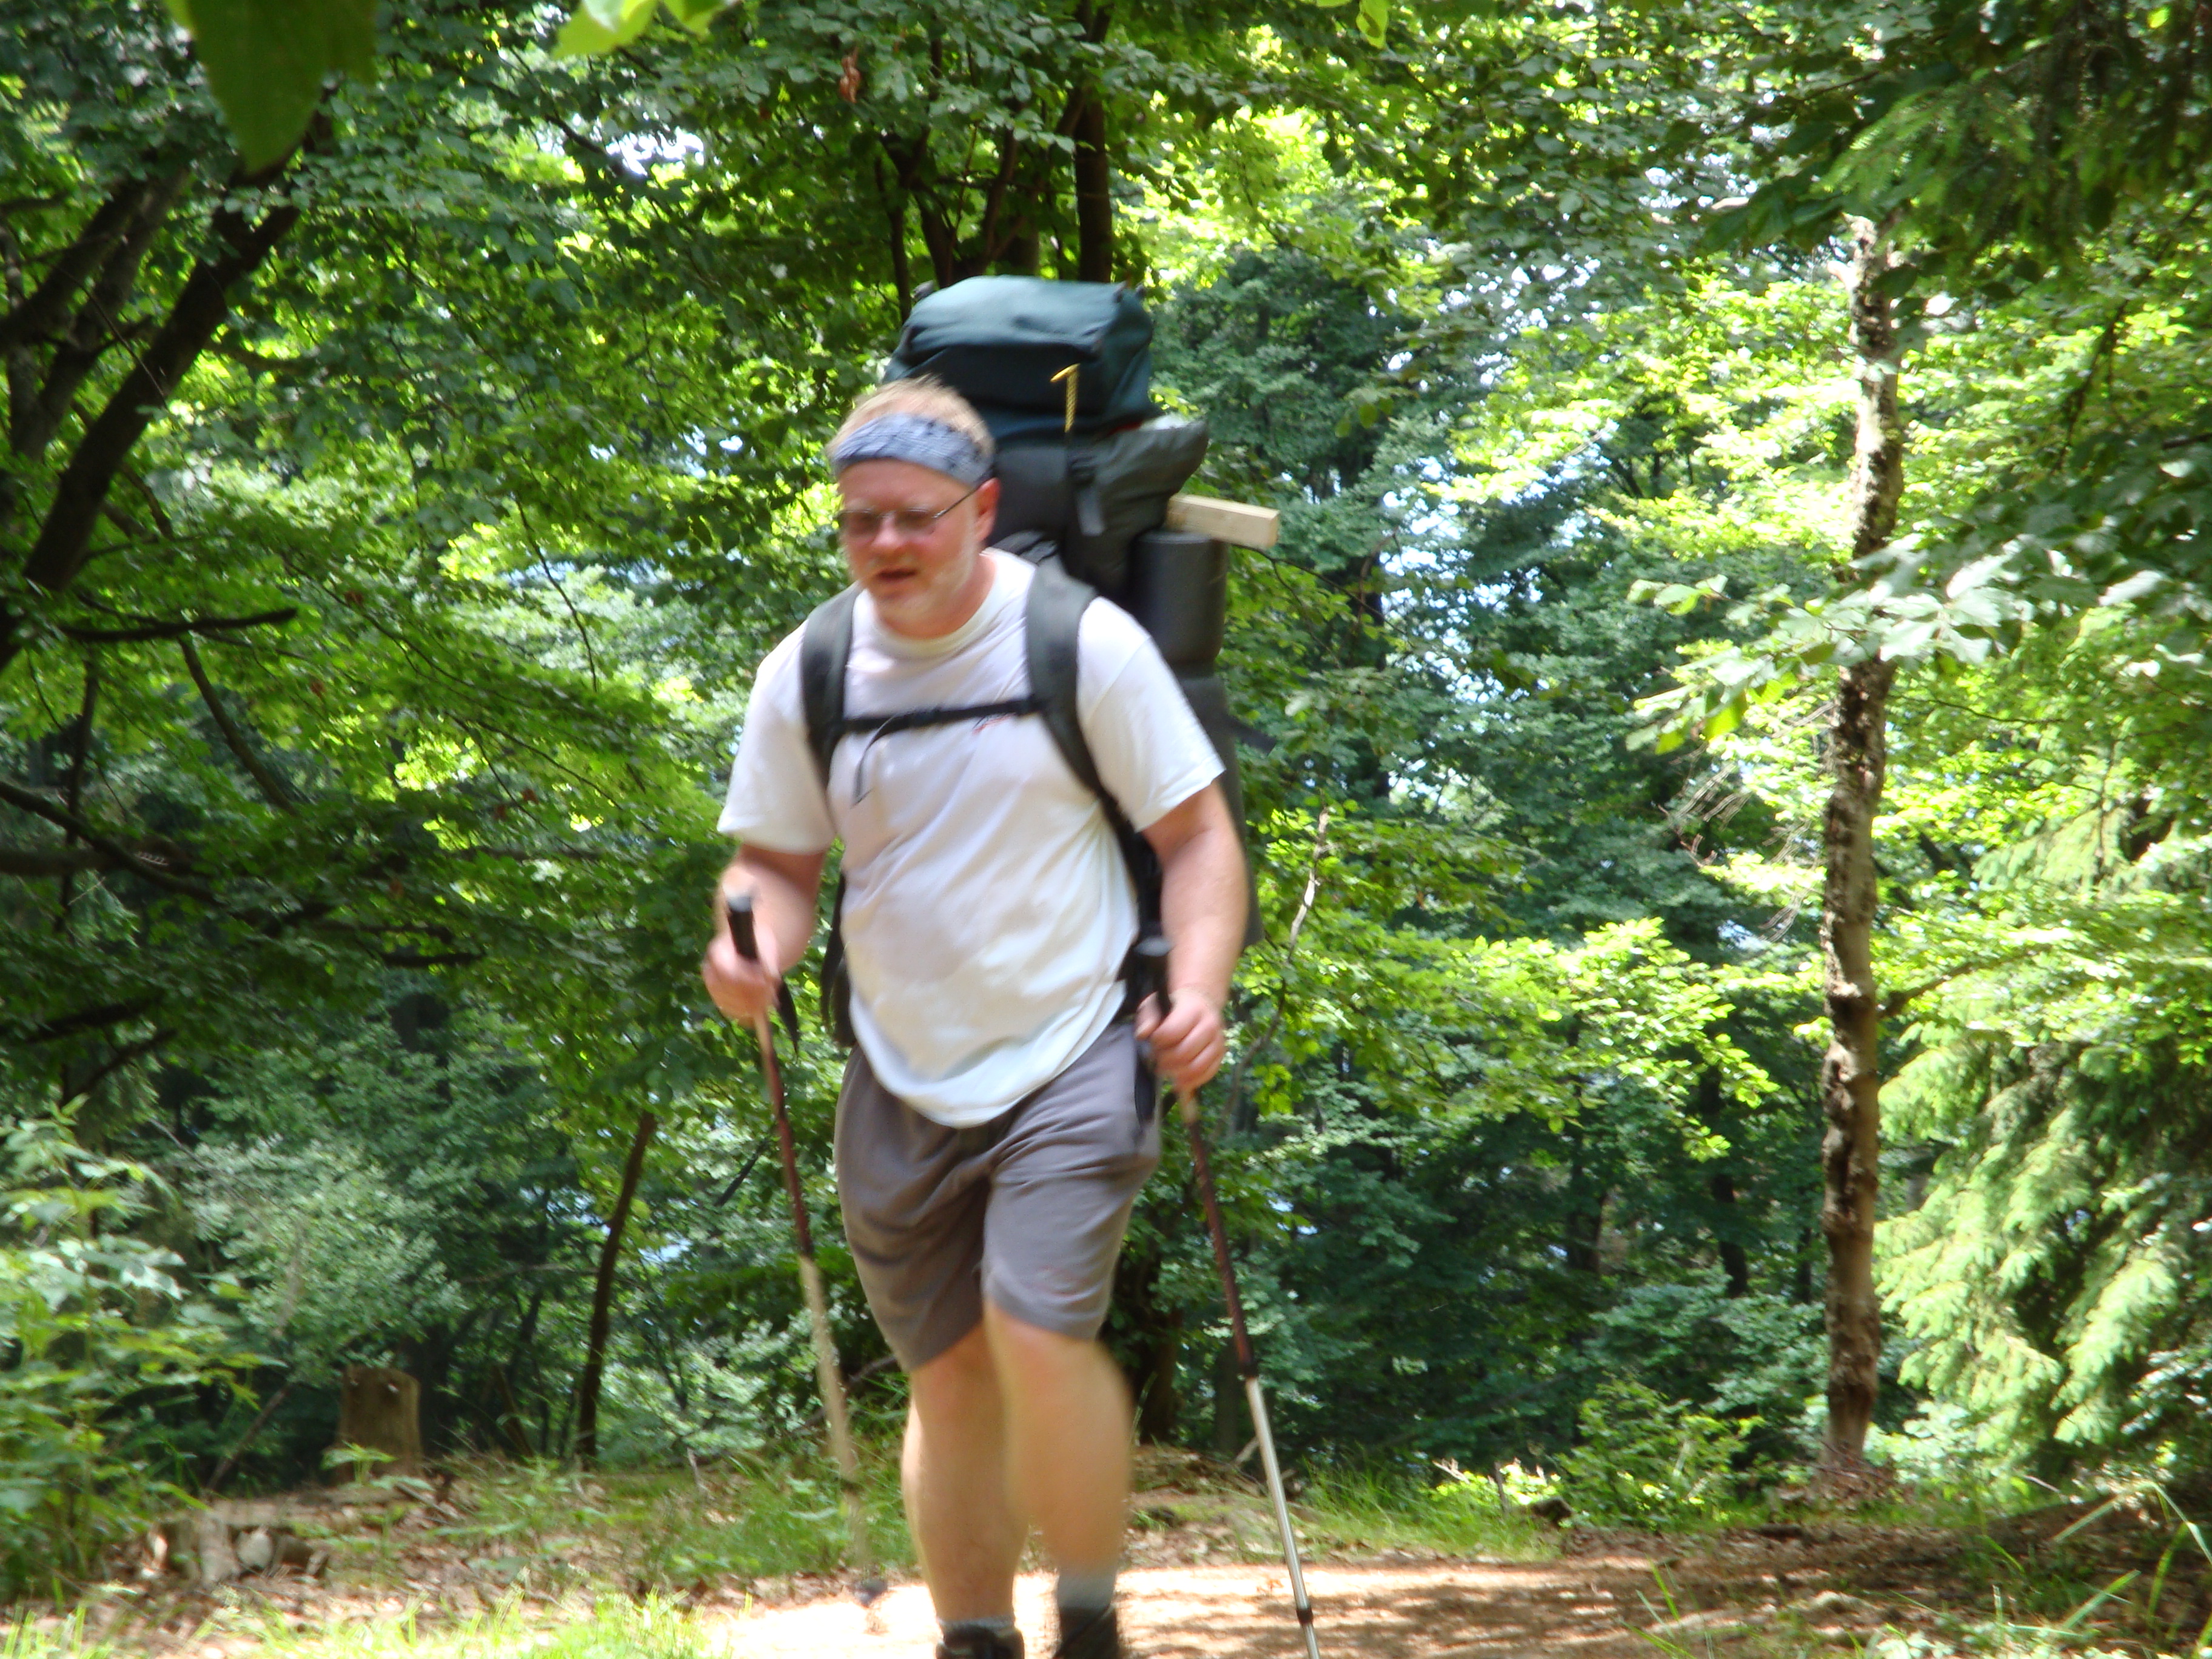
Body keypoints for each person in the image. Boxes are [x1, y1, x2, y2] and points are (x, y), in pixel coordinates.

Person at [701, 378, 1247, 1659]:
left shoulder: (1081, 644)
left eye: (917, 517)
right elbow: (775, 864)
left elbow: (1197, 836)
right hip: (898, 1070)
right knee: (948, 1378)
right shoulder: (810, 669)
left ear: (984, 510)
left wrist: (1199, 991)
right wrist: (748, 949)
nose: (886, 542)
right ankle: (976, 1639)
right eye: (861, 521)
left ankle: (1090, 1614)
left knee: (1035, 1333)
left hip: (1076, 1049)